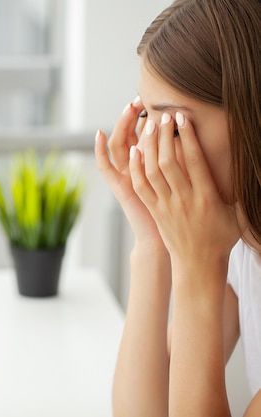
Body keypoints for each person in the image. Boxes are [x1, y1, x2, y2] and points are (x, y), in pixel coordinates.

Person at [94, 0, 261, 415]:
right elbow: (144, 410)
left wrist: (198, 266)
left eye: (171, 126)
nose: (154, 156)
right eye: (147, 121)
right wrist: (153, 240)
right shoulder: (241, 238)